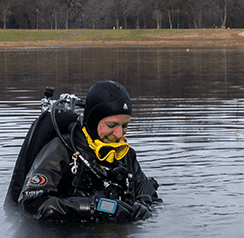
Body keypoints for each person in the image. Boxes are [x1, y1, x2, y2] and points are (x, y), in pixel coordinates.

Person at [17, 80, 158, 222]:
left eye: (125, 125)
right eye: (111, 125)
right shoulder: (62, 150)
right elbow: (31, 205)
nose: (119, 134)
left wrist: (142, 207)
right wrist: (94, 207)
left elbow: (150, 196)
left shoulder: (125, 155)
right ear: (93, 122)